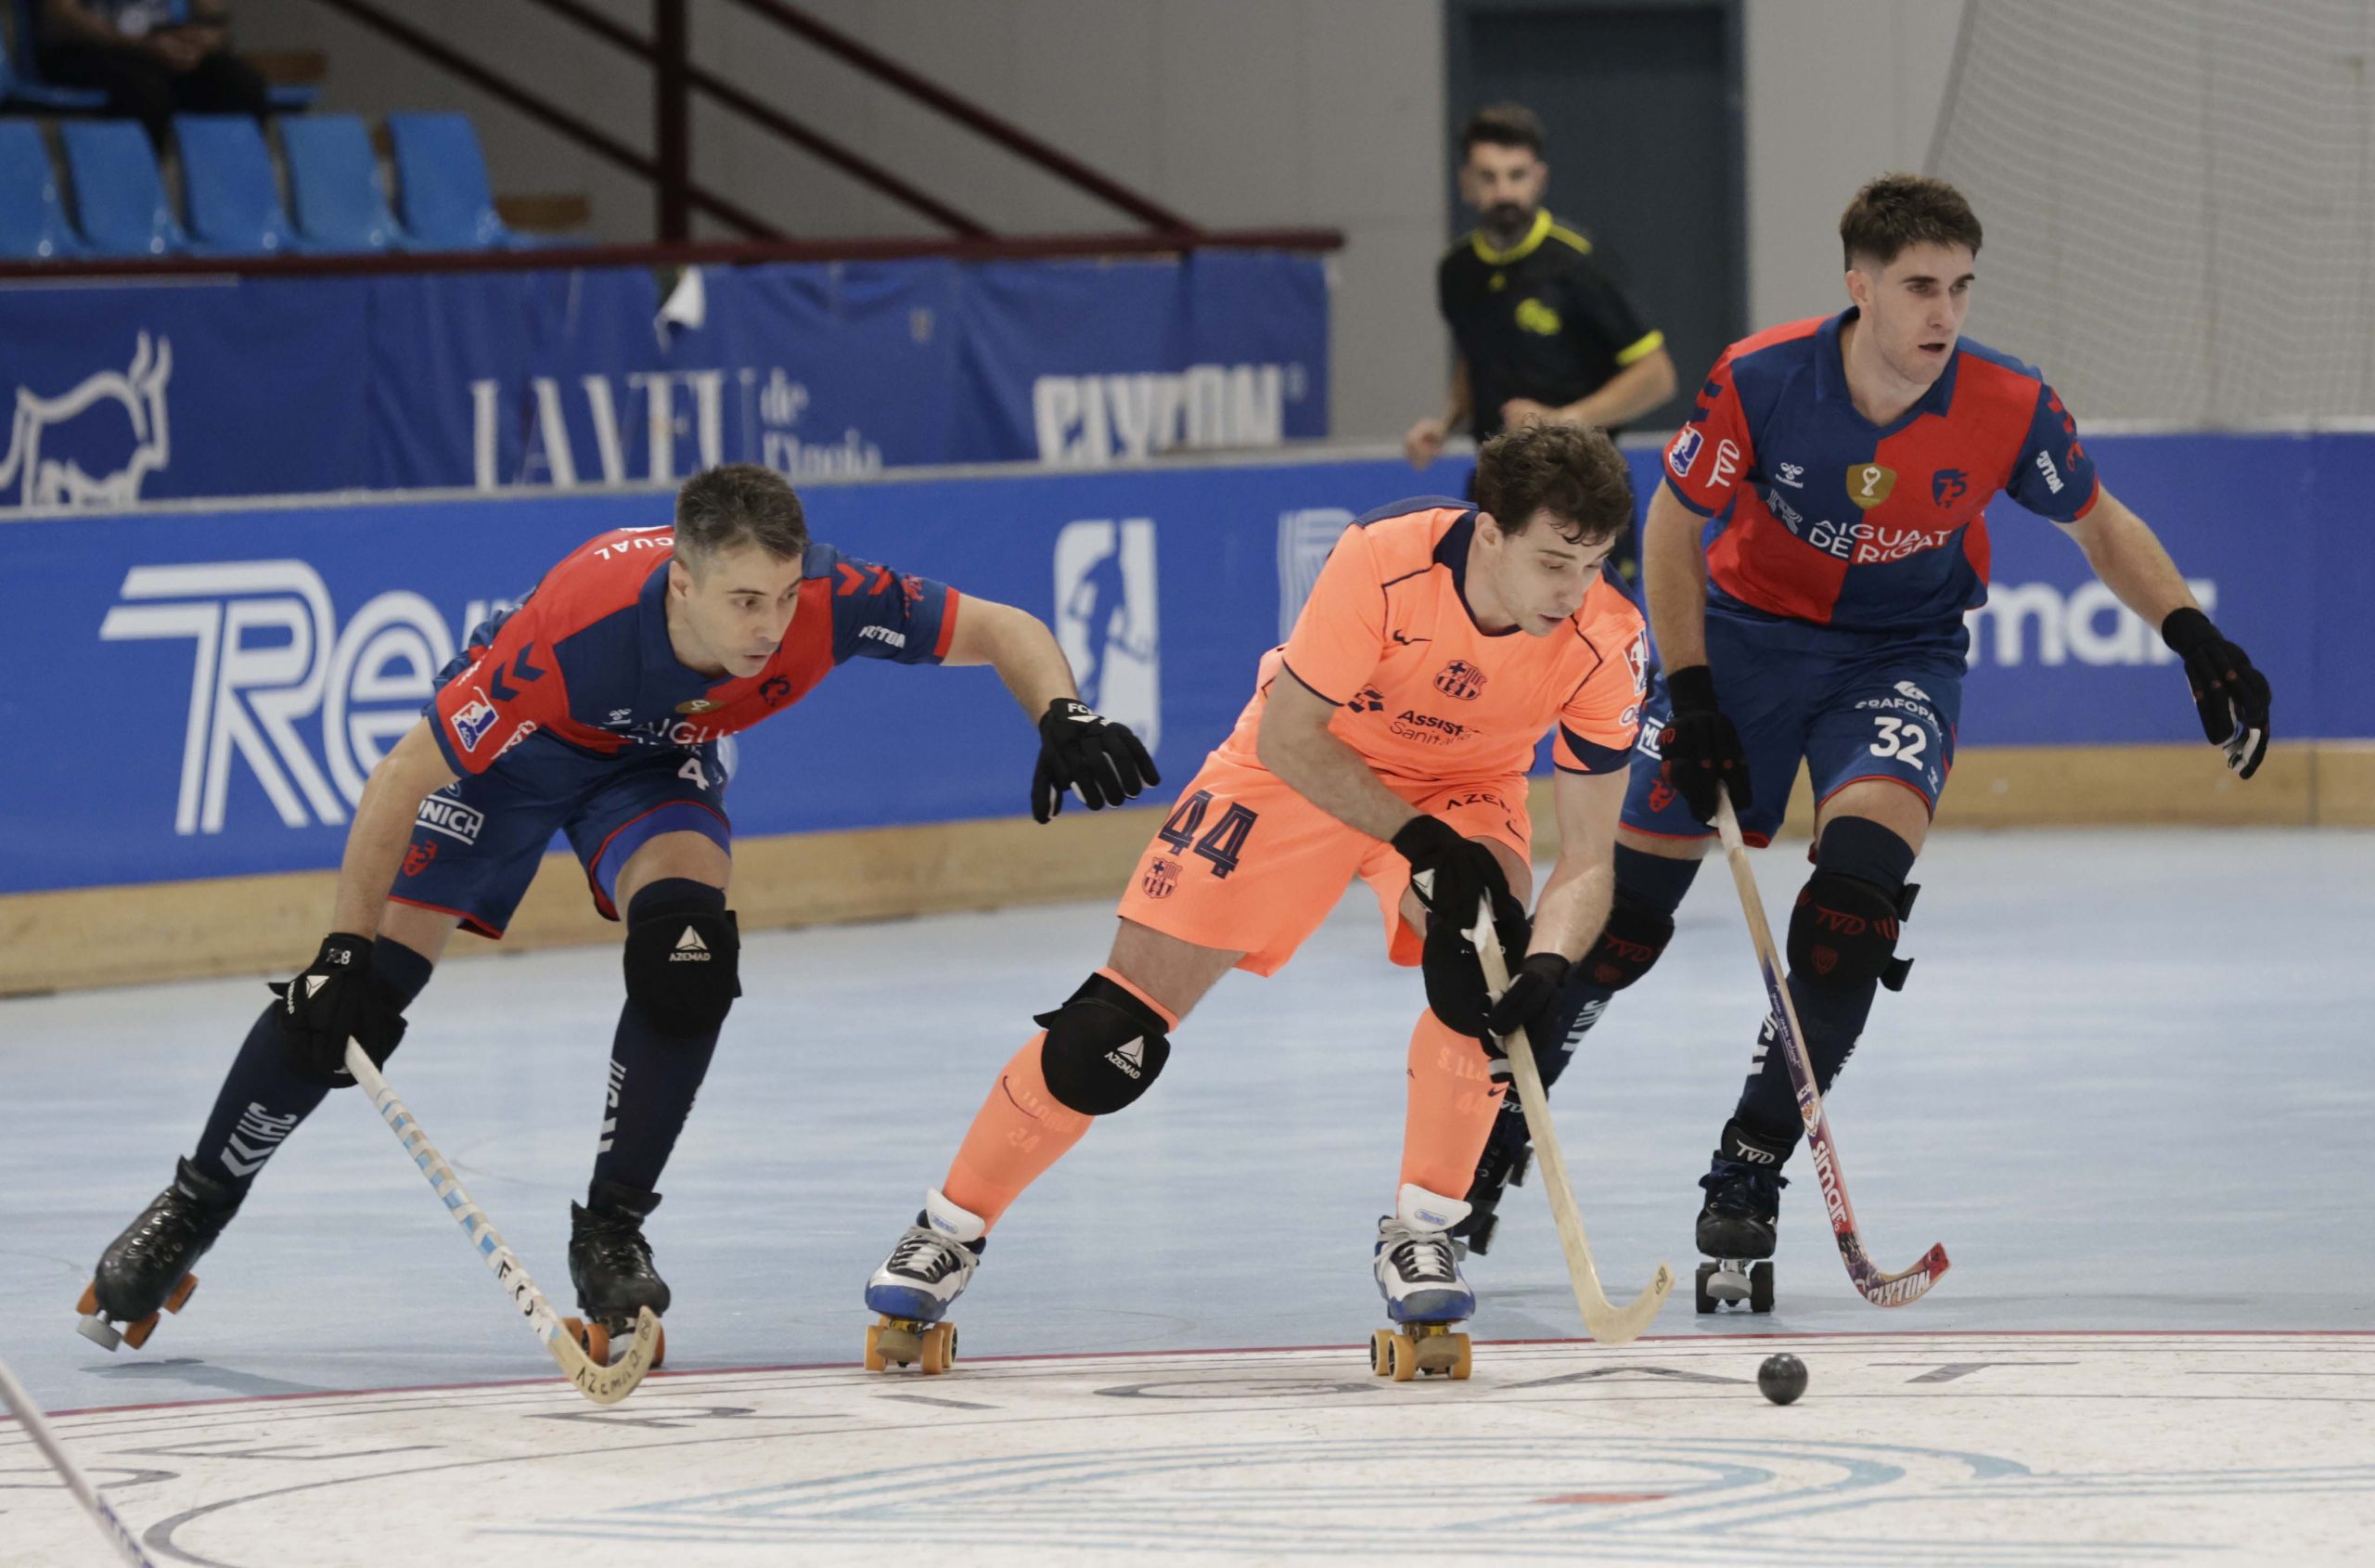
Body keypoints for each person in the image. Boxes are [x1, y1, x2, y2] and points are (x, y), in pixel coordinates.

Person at [75, 464, 1159, 1356]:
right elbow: (404, 773)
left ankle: (611, 1233)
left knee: (690, 956)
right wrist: (340, 945)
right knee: (355, 1006)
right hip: (517, 764)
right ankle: (194, 1205)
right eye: (743, 602)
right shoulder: (577, 621)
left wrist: (1062, 711)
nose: (770, 628)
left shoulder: (827, 603)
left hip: (654, 771)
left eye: (782, 597)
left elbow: (1002, 626)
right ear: (679, 583)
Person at [1448, 174, 2274, 1300]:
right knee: (1626, 925)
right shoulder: (1761, 378)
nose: (1944, 313)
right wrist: (1689, 692)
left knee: (1849, 915)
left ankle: (1748, 1163)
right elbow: (1675, 528)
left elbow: (2098, 520)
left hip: (1899, 656)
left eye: (1961, 287)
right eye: (1920, 287)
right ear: (1860, 288)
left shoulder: (2006, 402)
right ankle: (1497, 1130)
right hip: (1739, 646)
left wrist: (2192, 634)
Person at [860, 423, 1650, 1365]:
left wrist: (1553, 958)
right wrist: (1413, 837)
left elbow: (1591, 861)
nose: (1574, 592)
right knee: (1106, 1035)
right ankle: (947, 1230)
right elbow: (1290, 737)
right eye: (1554, 561)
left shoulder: (1606, 639)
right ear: (1490, 534)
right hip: (1304, 767)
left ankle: (1425, 1229)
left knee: (1480, 961)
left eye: (1593, 564)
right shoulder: (1384, 560)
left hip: (1464, 787)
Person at [1406, 104, 1676, 590]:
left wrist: (1565, 418)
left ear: (1540, 178)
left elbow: (1657, 376)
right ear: (1466, 182)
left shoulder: (1579, 264)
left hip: (1582, 488)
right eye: (1488, 177)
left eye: (1516, 175)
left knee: (1590, 648)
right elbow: (1476, 354)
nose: (1503, 191)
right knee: (1492, 642)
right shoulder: (1457, 271)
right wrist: (1446, 421)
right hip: (1496, 490)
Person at [33, 0, 271, 148]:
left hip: (158, 42)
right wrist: (137, 46)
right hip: (92, 45)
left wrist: (204, 36)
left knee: (241, 85)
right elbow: (59, 18)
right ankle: (134, 202)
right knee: (146, 93)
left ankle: (226, 204)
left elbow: (213, 18)